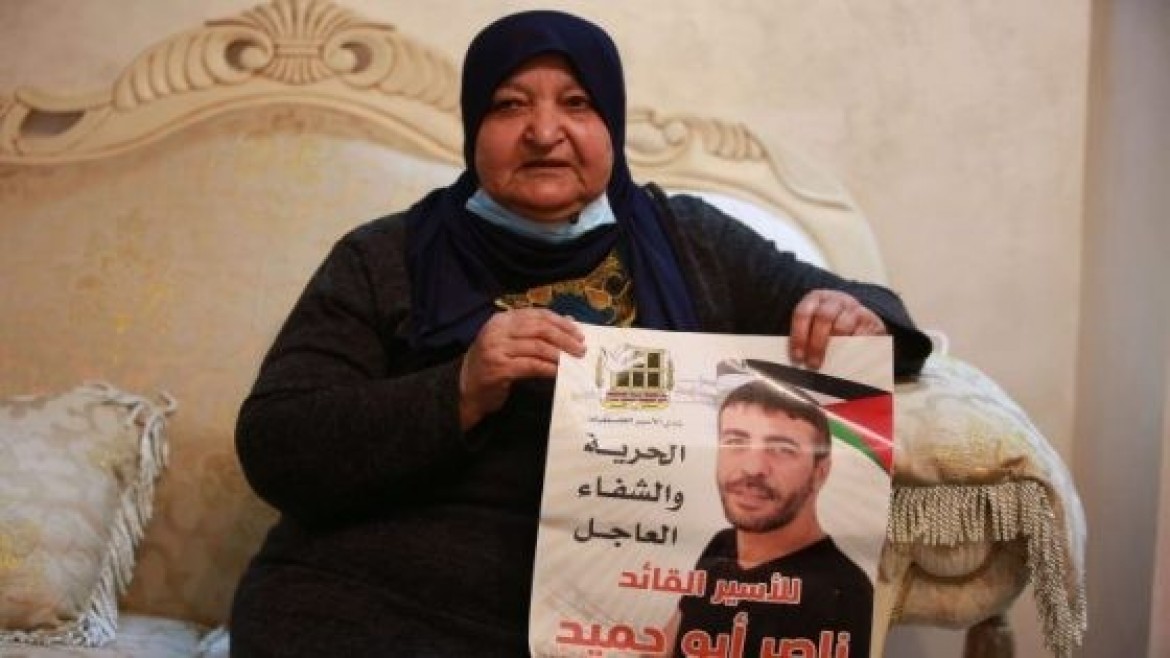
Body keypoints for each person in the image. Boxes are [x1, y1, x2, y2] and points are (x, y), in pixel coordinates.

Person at [229, 9, 932, 658]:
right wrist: (459, 390)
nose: (543, 132)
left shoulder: (690, 242)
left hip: (621, 617)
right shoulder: (386, 256)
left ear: (612, 124)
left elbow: (879, 321)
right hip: (373, 600)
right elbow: (275, 444)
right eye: (510, 105)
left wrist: (853, 315)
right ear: (473, 126)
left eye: (576, 103)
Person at [661, 378, 873, 658]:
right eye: (735, 442)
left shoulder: (844, 593)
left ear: (819, 473)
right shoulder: (722, 545)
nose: (752, 468)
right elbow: (666, 646)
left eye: (782, 449)